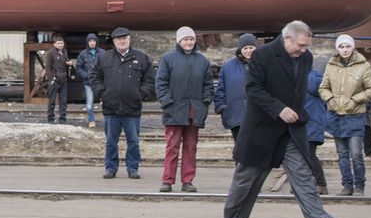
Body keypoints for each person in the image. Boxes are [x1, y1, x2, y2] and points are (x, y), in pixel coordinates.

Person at [223, 21, 347, 218]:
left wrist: (298, 116)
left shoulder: (305, 57)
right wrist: (278, 108)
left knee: (303, 178)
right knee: (246, 181)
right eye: (300, 45)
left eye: (306, 46)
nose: (304, 50)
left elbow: (299, 92)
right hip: (262, 130)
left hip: (291, 131)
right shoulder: (262, 55)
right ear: (286, 38)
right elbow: (253, 89)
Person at [90, 27, 155, 179]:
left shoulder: (142, 58)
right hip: (111, 108)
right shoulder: (104, 58)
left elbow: (150, 79)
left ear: (129, 39)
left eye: (124, 38)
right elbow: (94, 76)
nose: (122, 41)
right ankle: (111, 168)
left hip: (132, 108)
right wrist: (101, 93)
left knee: (133, 141)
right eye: (119, 39)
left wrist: (141, 95)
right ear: (114, 42)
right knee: (111, 141)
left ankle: (133, 168)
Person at [155, 26, 213, 192]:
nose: (188, 42)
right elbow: (161, 83)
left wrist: (205, 102)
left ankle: (187, 181)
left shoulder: (202, 60)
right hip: (174, 110)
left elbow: (208, 84)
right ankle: (167, 180)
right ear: (179, 41)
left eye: (191, 39)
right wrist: (167, 102)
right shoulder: (168, 59)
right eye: (185, 39)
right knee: (172, 146)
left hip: (194, 111)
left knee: (190, 147)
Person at [318, 35, 371, 196]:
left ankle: (359, 185)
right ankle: (347, 184)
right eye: (342, 47)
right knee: (342, 153)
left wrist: (355, 100)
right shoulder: (331, 66)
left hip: (354, 115)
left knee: (356, 153)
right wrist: (330, 99)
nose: (345, 50)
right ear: (337, 49)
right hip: (336, 114)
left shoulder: (363, 66)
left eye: (348, 47)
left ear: (353, 48)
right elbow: (323, 87)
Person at [214, 34, 256, 144]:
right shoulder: (228, 67)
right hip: (236, 114)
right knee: (240, 147)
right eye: (245, 48)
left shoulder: (265, 64)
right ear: (240, 49)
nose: (248, 51)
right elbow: (221, 89)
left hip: (258, 116)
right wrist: (221, 106)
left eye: (251, 47)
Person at [304, 61, 329, 195]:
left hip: (312, 123)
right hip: (301, 124)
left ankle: (320, 184)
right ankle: (305, 183)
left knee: (309, 154)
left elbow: (314, 87)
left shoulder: (316, 78)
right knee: (300, 155)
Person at [38, 35, 69, 124]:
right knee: (52, 101)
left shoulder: (64, 52)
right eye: (58, 43)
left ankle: (62, 119)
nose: (60, 45)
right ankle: (50, 119)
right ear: (54, 44)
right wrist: (51, 79)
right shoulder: (50, 53)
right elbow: (47, 67)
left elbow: (65, 62)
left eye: (62, 43)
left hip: (63, 80)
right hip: (55, 80)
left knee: (63, 101)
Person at [74, 33, 102, 128]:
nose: (92, 43)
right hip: (88, 82)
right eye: (90, 41)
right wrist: (86, 76)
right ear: (87, 43)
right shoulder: (83, 54)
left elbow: (108, 66)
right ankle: (91, 120)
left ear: (96, 42)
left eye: (94, 41)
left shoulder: (103, 53)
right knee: (90, 101)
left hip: (101, 82)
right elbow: (78, 68)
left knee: (106, 100)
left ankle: (108, 119)